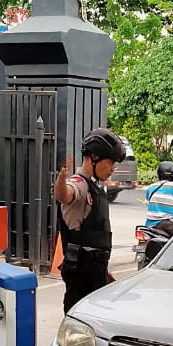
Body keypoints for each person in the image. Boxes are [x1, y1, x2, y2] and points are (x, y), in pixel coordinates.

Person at [55, 127, 126, 313]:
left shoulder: (96, 187)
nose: (113, 168)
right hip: (81, 279)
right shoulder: (79, 184)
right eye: (110, 162)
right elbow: (65, 195)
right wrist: (61, 178)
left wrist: (105, 275)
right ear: (94, 156)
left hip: (95, 273)